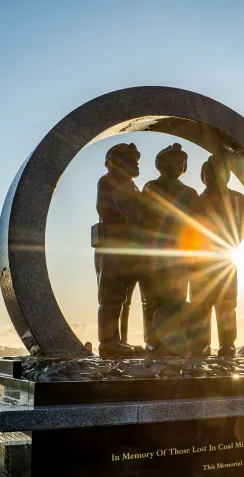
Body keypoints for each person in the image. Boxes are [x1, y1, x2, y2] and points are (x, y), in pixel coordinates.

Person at [140, 143, 201, 355]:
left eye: (182, 161)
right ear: (162, 163)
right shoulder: (151, 187)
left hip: (180, 257)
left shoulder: (190, 193)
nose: (179, 164)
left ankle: (174, 343)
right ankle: (153, 342)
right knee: (153, 300)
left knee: (177, 301)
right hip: (155, 255)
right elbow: (143, 219)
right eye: (174, 160)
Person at [192, 155, 244, 357]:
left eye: (217, 173)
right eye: (207, 173)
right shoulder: (197, 201)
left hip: (225, 259)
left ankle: (227, 345)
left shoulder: (237, 198)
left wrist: (233, 240)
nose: (211, 177)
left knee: (226, 305)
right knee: (201, 305)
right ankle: (201, 345)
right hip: (201, 262)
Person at [94, 142, 144, 357]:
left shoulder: (133, 186)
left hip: (131, 247)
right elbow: (106, 209)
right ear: (116, 160)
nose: (136, 162)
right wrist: (132, 228)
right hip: (112, 246)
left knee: (125, 298)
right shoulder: (108, 181)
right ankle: (108, 343)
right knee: (111, 296)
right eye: (131, 158)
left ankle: (121, 341)